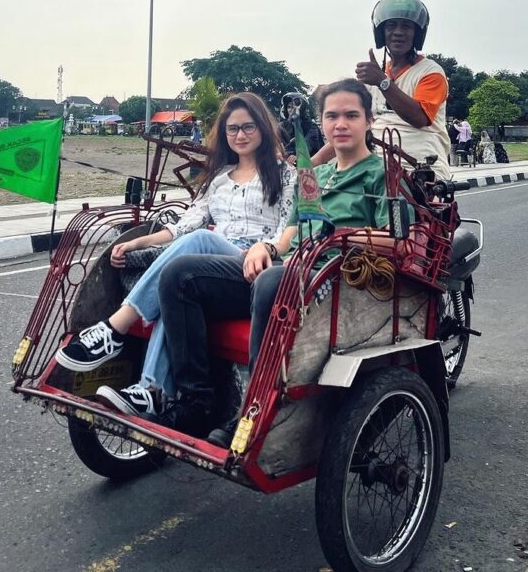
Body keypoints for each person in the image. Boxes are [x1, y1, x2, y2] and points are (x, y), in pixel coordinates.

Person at [155, 79, 391, 441]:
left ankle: (255, 408)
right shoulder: (315, 174)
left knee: (269, 282)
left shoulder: (381, 174)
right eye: (332, 116)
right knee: (180, 275)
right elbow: (292, 228)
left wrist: (345, 236)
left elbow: (399, 241)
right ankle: (196, 399)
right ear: (322, 123)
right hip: (293, 269)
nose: (340, 124)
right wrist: (268, 249)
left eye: (351, 115)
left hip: (341, 277)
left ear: (369, 121)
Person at [54, 93, 295, 418]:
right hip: (212, 274)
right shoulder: (219, 179)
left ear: (263, 128)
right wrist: (140, 243)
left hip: (258, 267)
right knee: (176, 281)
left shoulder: (285, 175)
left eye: (248, 127)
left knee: (199, 243)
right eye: (232, 129)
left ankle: (115, 329)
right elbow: (183, 227)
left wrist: (267, 248)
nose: (240, 135)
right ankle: (152, 390)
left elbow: (289, 228)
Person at [326, 0, 450, 179]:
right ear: (381, 33)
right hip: (373, 165)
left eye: (406, 26)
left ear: (417, 34)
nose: (398, 32)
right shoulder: (374, 78)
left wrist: (382, 82)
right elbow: (352, 129)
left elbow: (420, 118)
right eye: (391, 26)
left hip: (420, 169)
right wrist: (310, 163)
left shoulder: (431, 73)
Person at [278, 91, 323, 164]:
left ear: (302, 108)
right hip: (287, 165)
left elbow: (309, 143)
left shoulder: (311, 126)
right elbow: (275, 143)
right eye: (289, 107)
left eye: (295, 106)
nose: (292, 109)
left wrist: (295, 153)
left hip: (311, 164)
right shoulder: (282, 126)